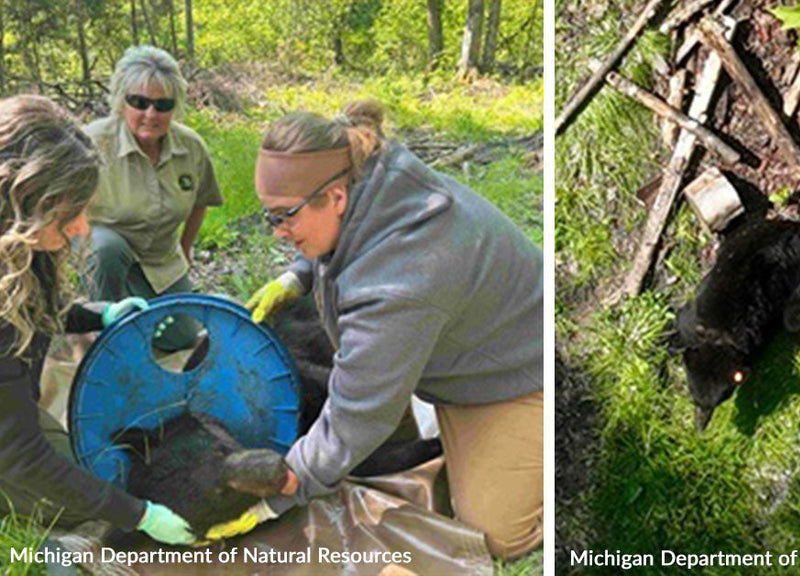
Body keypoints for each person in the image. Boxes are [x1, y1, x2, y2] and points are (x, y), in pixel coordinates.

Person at [242, 101, 543, 558]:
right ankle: (434, 419)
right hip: (457, 339)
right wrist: (298, 275)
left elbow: (353, 419)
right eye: (270, 217)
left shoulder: (400, 281)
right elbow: (334, 238)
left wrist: (280, 491)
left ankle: (525, 431)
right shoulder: (369, 179)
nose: (277, 232)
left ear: (336, 198)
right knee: (372, 419)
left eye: (285, 217)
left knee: (498, 534)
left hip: (513, 372)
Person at [0, 95, 195, 546]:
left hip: (11, 424)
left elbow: (34, 309)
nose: (84, 228)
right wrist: (140, 515)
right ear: (24, 206)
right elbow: (21, 458)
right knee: (67, 504)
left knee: (85, 469)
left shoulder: (20, 249)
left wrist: (100, 313)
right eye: (70, 214)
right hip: (9, 452)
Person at [82, 45, 222, 351]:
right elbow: (60, 207)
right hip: (105, 257)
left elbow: (201, 200)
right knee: (106, 247)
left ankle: (132, 322)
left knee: (182, 338)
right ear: (121, 102)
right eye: (139, 102)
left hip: (160, 258)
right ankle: (98, 333)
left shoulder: (191, 147)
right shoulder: (92, 144)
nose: (151, 114)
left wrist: (185, 251)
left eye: (163, 104)